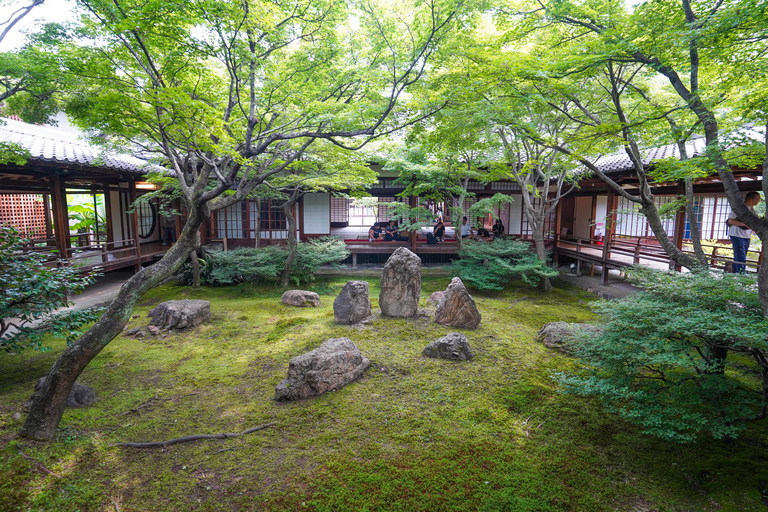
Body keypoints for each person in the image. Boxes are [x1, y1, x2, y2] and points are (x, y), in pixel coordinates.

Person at [727, 191, 761, 273]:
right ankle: (741, 274)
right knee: (741, 256)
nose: (759, 201)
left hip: (746, 235)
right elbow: (730, 221)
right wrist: (744, 224)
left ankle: (734, 273)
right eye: (758, 199)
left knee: (740, 256)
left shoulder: (751, 209)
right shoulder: (740, 208)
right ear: (754, 199)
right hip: (737, 234)